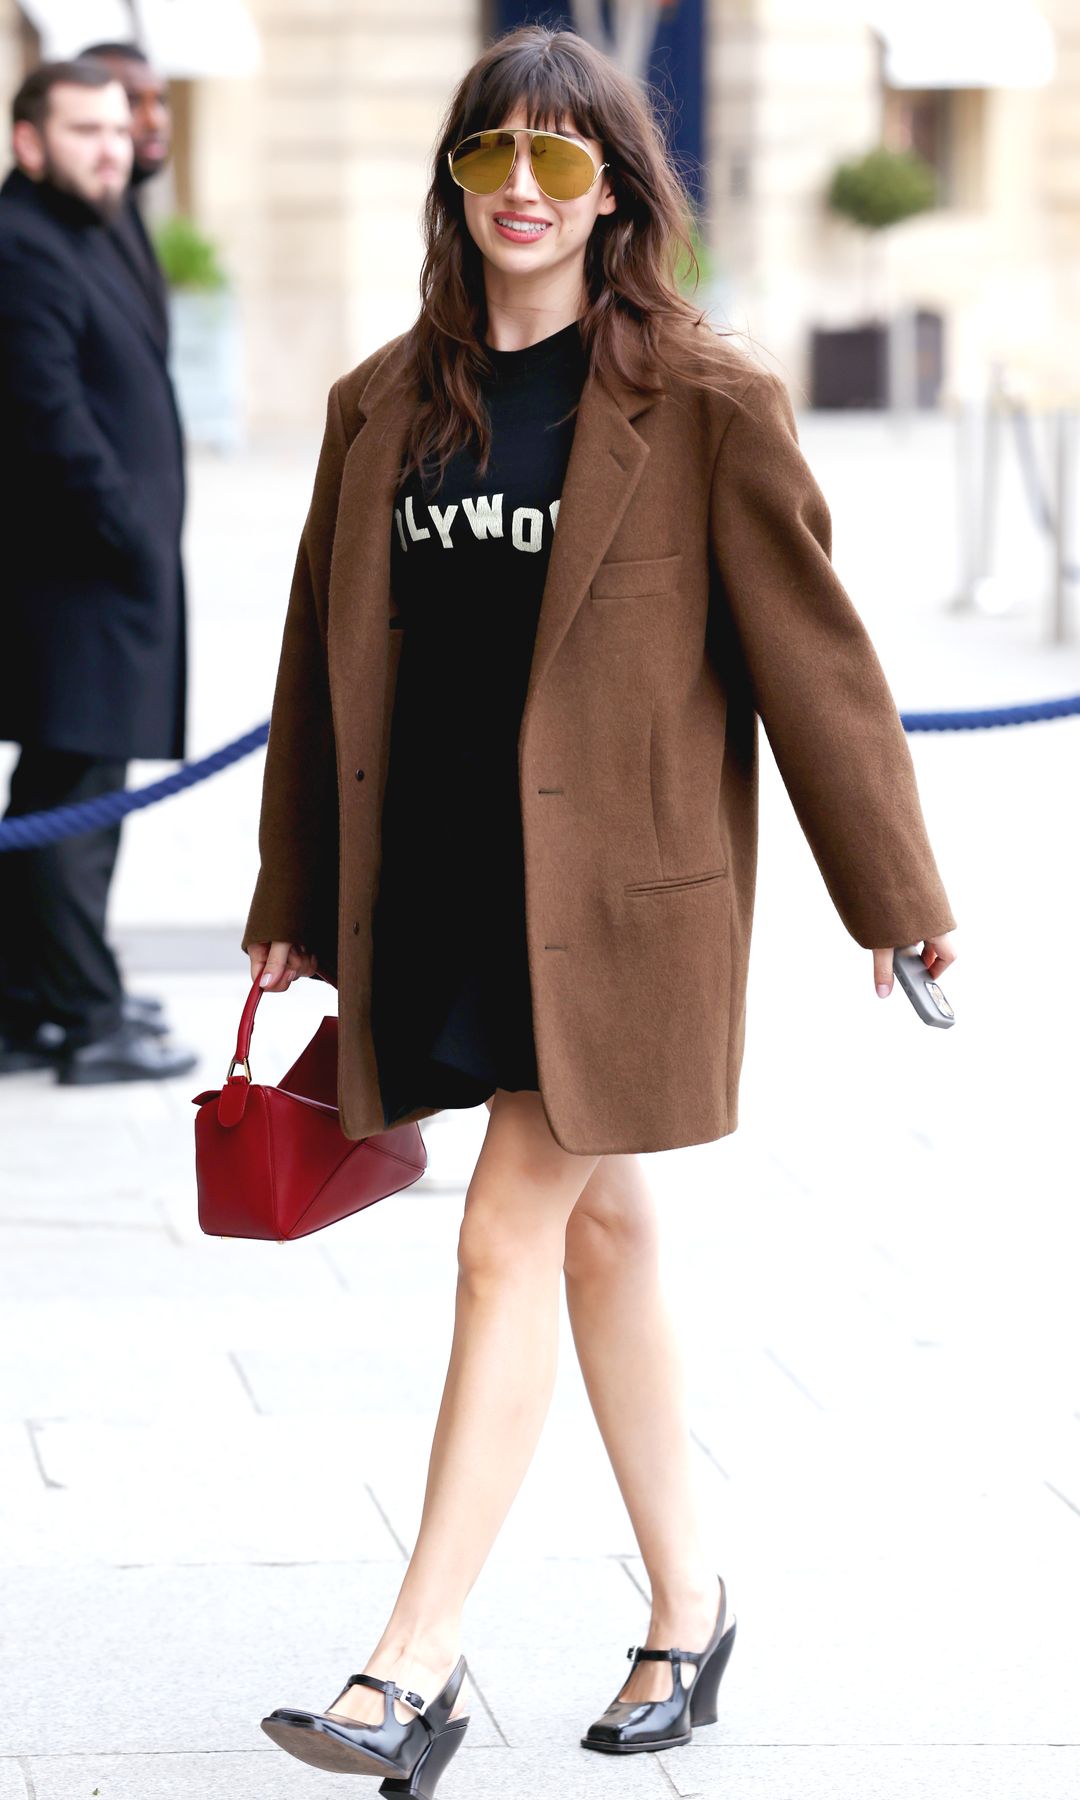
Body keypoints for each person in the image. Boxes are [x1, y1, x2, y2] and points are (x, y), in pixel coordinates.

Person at [243, 24, 957, 1790]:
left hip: (620, 904)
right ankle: (688, 1603)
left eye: (566, 162)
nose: (527, 193)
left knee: (507, 1233)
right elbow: (319, 670)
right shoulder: (383, 401)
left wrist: (895, 891)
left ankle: (412, 1665)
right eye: (497, 156)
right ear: (457, 178)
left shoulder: (704, 403)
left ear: (618, 190)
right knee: (605, 1233)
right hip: (448, 889)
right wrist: (291, 896)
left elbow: (819, 666)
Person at [0, 61, 195, 1085]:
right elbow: (45, 418)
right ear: (29, 143)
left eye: (119, 130)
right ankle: (86, 1017)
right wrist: (129, 532)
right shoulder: (25, 247)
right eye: (85, 131)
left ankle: (26, 1001)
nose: (111, 148)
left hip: (100, 579)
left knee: (63, 790)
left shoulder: (83, 227)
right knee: (74, 804)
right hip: (76, 581)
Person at [77, 40, 172, 352]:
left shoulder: (126, 207)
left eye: (160, 100)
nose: (154, 120)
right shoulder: (70, 226)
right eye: (131, 101)